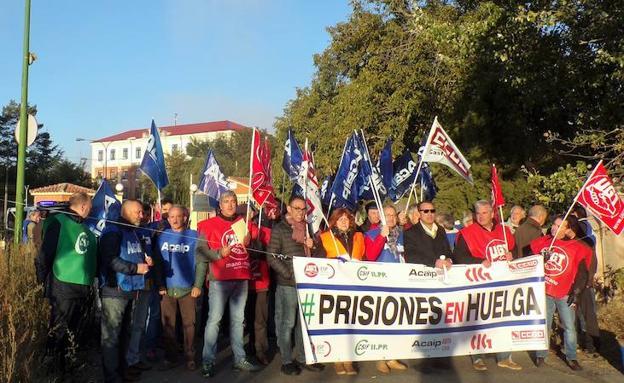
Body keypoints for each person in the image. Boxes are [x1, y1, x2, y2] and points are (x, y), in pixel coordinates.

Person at [196, 191, 262, 377]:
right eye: (226, 201)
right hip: (220, 280)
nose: (231, 204)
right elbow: (200, 252)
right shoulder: (208, 225)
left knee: (238, 321)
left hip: (241, 278)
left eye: (233, 201)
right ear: (220, 205)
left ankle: (239, 359)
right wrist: (218, 254)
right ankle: (208, 361)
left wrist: (251, 244)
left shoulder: (245, 224)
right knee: (214, 320)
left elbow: (257, 253)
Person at [453, 200, 520, 371]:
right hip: (479, 284)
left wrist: (513, 254)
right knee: (478, 321)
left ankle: (504, 357)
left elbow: (516, 251)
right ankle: (477, 357)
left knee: (503, 319)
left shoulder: (504, 231)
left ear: (492, 214)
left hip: (502, 285)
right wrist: (479, 261)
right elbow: (458, 257)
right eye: (478, 213)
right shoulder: (467, 233)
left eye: (484, 213)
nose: (481, 216)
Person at [35, 192, 97, 375]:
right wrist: (42, 283)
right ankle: (50, 368)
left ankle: (67, 365)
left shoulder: (85, 228)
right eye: (90, 208)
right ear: (84, 207)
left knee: (73, 330)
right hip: (62, 285)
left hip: (81, 286)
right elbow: (44, 256)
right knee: (59, 330)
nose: (91, 212)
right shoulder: (58, 222)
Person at [266, 196, 324, 375]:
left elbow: (317, 254)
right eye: (296, 208)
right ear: (289, 209)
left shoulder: (308, 229)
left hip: (307, 284)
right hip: (288, 284)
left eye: (303, 209)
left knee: (303, 323)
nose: (300, 212)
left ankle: (302, 357)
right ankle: (286, 360)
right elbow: (271, 256)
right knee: (288, 322)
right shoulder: (280, 229)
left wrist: (312, 245)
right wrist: (289, 273)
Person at [99, 199, 153, 383]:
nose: (142, 215)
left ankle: (122, 372)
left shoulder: (134, 232)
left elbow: (133, 254)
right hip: (114, 291)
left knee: (124, 335)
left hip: (131, 290)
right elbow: (109, 259)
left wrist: (144, 263)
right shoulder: (113, 231)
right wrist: (135, 268)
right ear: (127, 211)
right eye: (138, 212)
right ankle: (112, 377)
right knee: (111, 338)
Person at [530, 215, 590, 371]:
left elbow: (583, 273)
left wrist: (576, 291)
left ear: (567, 229)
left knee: (569, 327)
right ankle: (540, 354)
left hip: (564, 293)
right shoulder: (544, 242)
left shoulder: (577, 246)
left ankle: (571, 357)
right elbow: (530, 262)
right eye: (554, 225)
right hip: (544, 291)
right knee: (544, 324)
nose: (554, 228)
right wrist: (541, 259)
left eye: (559, 226)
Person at [156, 205, 212, 371]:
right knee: (168, 326)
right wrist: (160, 284)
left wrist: (198, 285)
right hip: (167, 289)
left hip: (188, 289)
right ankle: (171, 357)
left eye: (178, 216)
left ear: (185, 217)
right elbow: (158, 263)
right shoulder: (162, 236)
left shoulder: (194, 236)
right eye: (171, 217)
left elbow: (202, 263)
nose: (174, 220)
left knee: (189, 325)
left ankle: (190, 356)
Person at [316, 208, 364, 375]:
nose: (344, 221)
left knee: (352, 324)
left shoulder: (358, 236)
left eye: (346, 218)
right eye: (340, 218)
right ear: (334, 221)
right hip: (333, 287)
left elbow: (363, 258)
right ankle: (337, 359)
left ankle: (348, 360)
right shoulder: (325, 237)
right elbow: (319, 260)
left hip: (354, 286)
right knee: (336, 323)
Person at [364, 205, 408, 373]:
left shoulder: (401, 235)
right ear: (381, 217)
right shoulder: (371, 234)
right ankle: (380, 358)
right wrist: (382, 237)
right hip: (380, 283)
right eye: (386, 215)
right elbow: (370, 256)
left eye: (392, 215)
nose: (390, 218)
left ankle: (392, 356)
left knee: (395, 320)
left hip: (399, 283)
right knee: (381, 320)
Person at [404, 201, 453, 268]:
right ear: (419, 213)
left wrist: (449, 259)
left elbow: (448, 251)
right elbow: (411, 256)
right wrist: (434, 262)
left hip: (443, 273)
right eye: (426, 211)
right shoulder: (410, 232)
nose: (430, 214)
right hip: (424, 275)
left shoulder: (441, 230)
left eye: (432, 211)